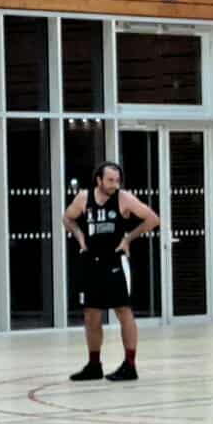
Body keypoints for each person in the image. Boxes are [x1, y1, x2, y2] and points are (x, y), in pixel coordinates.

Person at [63, 161, 161, 383]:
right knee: (91, 315)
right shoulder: (84, 198)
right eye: (110, 180)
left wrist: (128, 238)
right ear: (99, 180)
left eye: (117, 181)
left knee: (123, 311)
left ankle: (130, 365)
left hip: (115, 261)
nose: (114, 185)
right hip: (91, 262)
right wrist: (79, 237)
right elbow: (67, 218)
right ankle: (94, 365)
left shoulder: (124, 198)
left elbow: (152, 219)